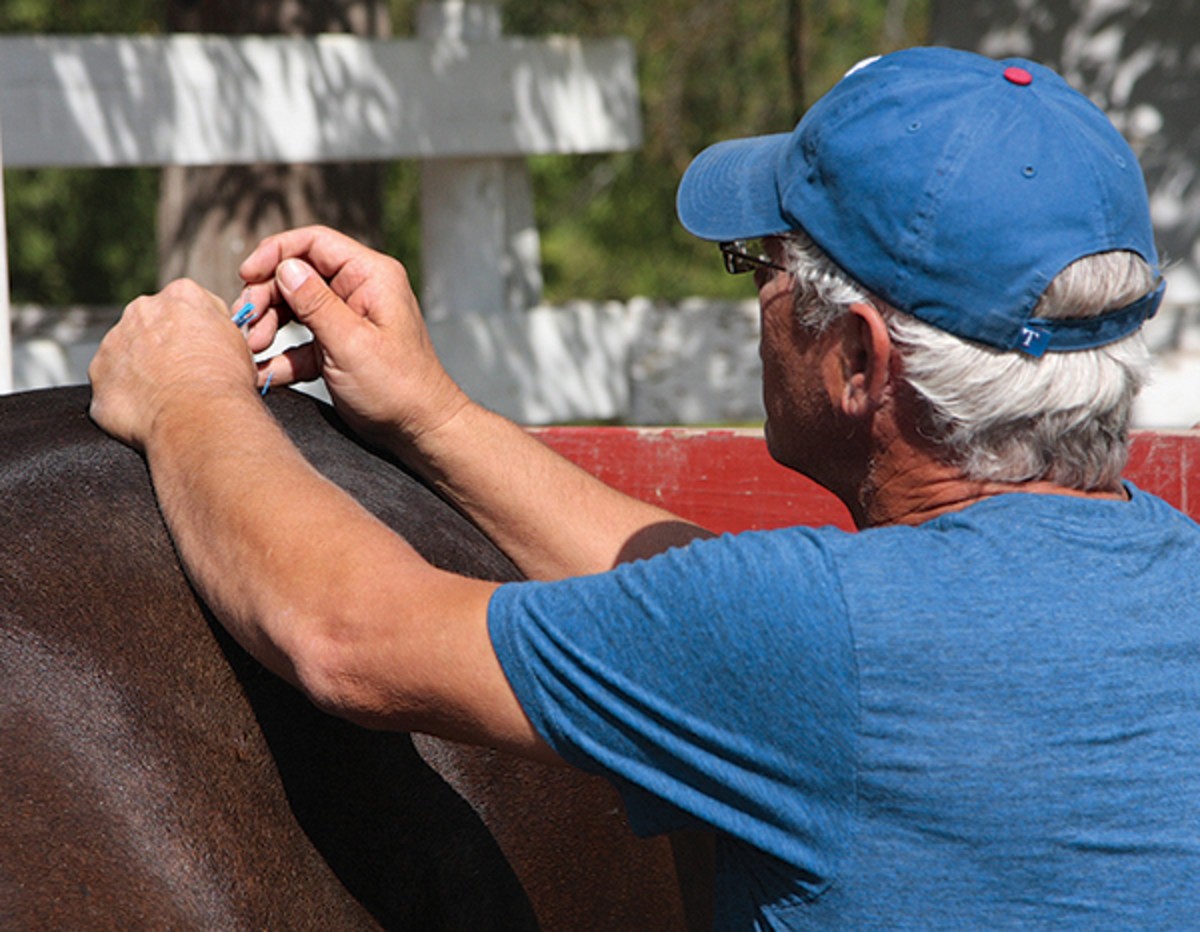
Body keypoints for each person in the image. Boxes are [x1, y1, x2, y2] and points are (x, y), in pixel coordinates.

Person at [89, 46, 1199, 928]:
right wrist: (434, 417)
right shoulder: (1173, 573)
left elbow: (348, 633)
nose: (757, 300)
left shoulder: (821, 638)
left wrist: (191, 398)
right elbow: (707, 610)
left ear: (860, 359)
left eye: (762, 264)